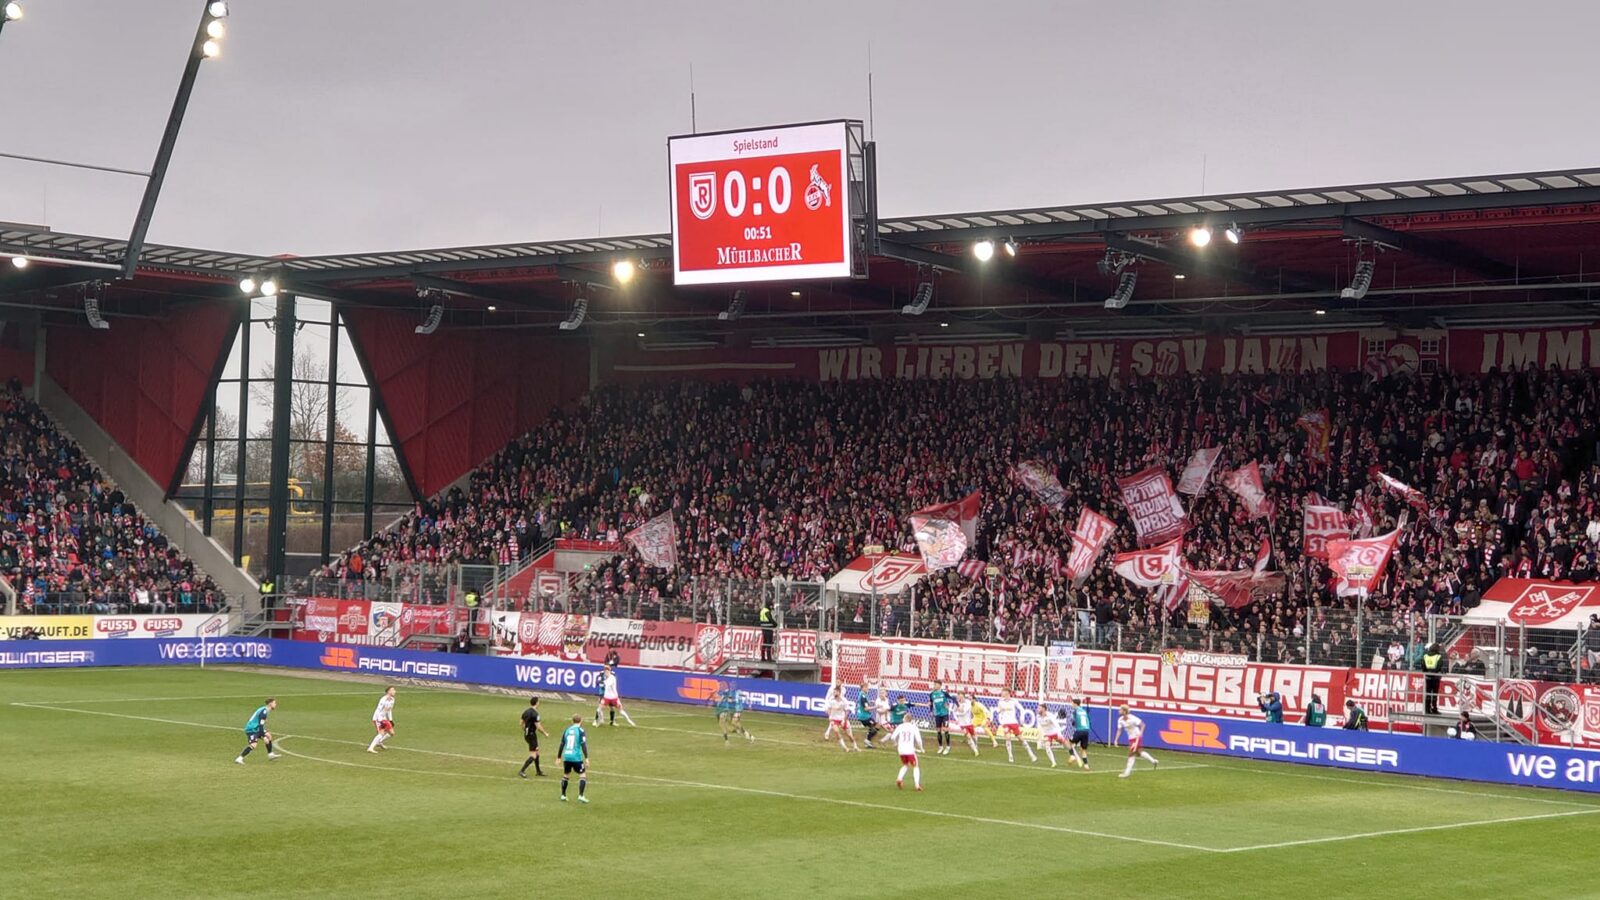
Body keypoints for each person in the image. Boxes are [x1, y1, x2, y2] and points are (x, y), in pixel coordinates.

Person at [1115, 704, 1159, 778]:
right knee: (1138, 753)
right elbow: (1119, 730)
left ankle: (1127, 773)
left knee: (1131, 753)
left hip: (1137, 736)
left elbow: (1142, 724)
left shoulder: (1132, 718)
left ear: (1125, 711)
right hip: (1131, 738)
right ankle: (1154, 761)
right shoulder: (1120, 720)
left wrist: (1141, 733)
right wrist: (1116, 739)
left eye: (1120, 710)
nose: (1119, 711)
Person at [995, 689, 1035, 763]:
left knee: (1021, 739)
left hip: (1013, 722)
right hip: (1006, 723)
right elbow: (998, 711)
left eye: (1003, 692)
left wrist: (1022, 717)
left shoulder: (1014, 701)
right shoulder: (1000, 702)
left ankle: (1031, 754)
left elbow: (1021, 709)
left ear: (1007, 693)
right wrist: (1001, 718)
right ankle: (1010, 756)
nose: (1001, 693)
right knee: (1008, 737)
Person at [235, 698, 279, 764]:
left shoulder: (264, 709)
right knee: (253, 744)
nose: (276, 704)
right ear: (270, 704)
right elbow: (261, 726)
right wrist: (264, 737)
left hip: (256, 728)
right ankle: (239, 758)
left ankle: (270, 755)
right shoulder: (263, 712)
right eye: (274, 703)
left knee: (269, 736)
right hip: (251, 729)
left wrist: (265, 736)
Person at [558, 714, 589, 803]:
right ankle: (581, 796)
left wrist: (559, 757)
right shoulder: (580, 730)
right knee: (582, 775)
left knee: (566, 775)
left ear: (572, 721)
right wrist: (586, 757)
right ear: (581, 721)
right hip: (576, 757)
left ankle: (563, 795)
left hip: (566, 756)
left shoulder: (567, 730)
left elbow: (562, 744)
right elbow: (583, 744)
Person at [891, 711, 924, 791]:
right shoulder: (914, 727)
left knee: (905, 765)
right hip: (909, 749)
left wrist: (895, 744)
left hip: (901, 750)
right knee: (915, 766)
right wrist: (921, 748)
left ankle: (899, 778)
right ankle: (917, 785)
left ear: (905, 719)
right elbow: (919, 740)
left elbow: (892, 737)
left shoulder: (900, 726)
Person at [519, 696, 550, 777]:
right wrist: (545, 733)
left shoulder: (526, 711)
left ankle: (538, 771)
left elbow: (521, 723)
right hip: (532, 735)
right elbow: (538, 726)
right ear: (537, 703)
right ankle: (522, 771)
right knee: (533, 755)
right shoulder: (535, 714)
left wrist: (526, 730)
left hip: (527, 735)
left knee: (537, 753)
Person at [823, 686, 860, 752]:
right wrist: (830, 718)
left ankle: (855, 746)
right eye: (833, 692)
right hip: (834, 719)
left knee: (849, 735)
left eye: (835, 692)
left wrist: (844, 720)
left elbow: (847, 711)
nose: (834, 693)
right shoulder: (831, 700)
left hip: (842, 719)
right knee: (836, 732)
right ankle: (845, 747)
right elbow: (829, 709)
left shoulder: (844, 700)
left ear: (839, 692)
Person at [1035, 704, 1067, 768]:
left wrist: (1059, 734)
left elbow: (1056, 724)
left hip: (1054, 732)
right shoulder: (1038, 716)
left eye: (1039, 708)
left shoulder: (1050, 715)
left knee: (1064, 742)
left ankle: (1072, 753)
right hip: (1047, 734)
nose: (1037, 709)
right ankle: (1053, 762)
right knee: (1047, 746)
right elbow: (1041, 725)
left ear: (1043, 709)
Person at [949, 691, 979, 756]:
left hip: (969, 723)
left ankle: (976, 745)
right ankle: (975, 751)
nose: (960, 698)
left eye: (961, 697)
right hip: (962, 724)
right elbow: (954, 712)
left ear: (964, 696)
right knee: (968, 737)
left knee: (974, 737)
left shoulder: (968, 702)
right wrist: (957, 718)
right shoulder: (956, 704)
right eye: (959, 697)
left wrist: (958, 710)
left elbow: (964, 712)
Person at [367, 686, 396, 753]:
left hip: (384, 718)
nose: (394, 691)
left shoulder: (392, 699)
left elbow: (389, 710)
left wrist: (391, 720)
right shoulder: (383, 699)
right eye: (393, 690)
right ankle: (370, 748)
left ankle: (379, 742)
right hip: (378, 718)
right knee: (381, 733)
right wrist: (380, 720)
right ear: (389, 691)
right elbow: (378, 710)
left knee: (392, 733)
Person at [1067, 698, 1093, 770]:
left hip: (1079, 730)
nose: (1071, 705)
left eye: (1072, 703)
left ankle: (1072, 756)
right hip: (1086, 731)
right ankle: (1086, 765)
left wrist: (1073, 722)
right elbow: (1088, 721)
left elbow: (1073, 722)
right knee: (1083, 749)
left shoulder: (1075, 711)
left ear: (1075, 704)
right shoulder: (1084, 711)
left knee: (1068, 742)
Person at [929, 680, 953, 755]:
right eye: (934, 684)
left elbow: (953, 699)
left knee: (945, 730)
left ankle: (948, 747)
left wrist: (954, 706)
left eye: (935, 684)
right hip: (937, 714)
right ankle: (940, 747)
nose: (934, 686)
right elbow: (931, 703)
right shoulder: (932, 694)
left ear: (940, 685)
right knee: (938, 730)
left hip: (945, 714)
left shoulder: (944, 692)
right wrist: (931, 711)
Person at [1421, 643, 1446, 715]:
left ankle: (1427, 709)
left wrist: (1426, 672)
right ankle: (1434, 708)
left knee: (1428, 693)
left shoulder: (1425, 656)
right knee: (1434, 693)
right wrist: (1434, 672)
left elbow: (1422, 665)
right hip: (1435, 677)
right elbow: (1439, 666)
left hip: (1427, 677)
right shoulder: (1438, 656)